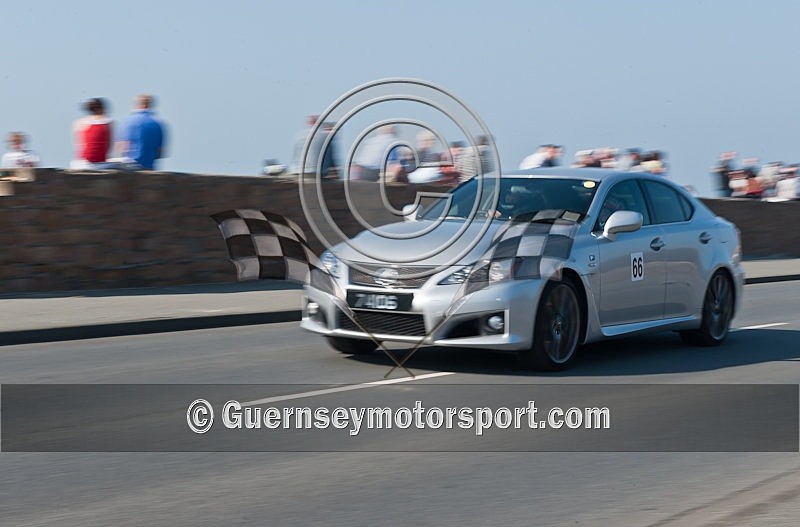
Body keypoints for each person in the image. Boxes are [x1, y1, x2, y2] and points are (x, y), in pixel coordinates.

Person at [116, 94, 166, 170]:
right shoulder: (157, 124)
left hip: (129, 167)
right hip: (148, 167)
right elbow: (160, 153)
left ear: (137, 104)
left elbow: (120, 148)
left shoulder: (127, 122)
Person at [71, 97, 112, 169]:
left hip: (81, 163)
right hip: (98, 164)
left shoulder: (79, 123)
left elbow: (79, 146)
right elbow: (109, 146)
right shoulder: (107, 122)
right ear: (101, 109)